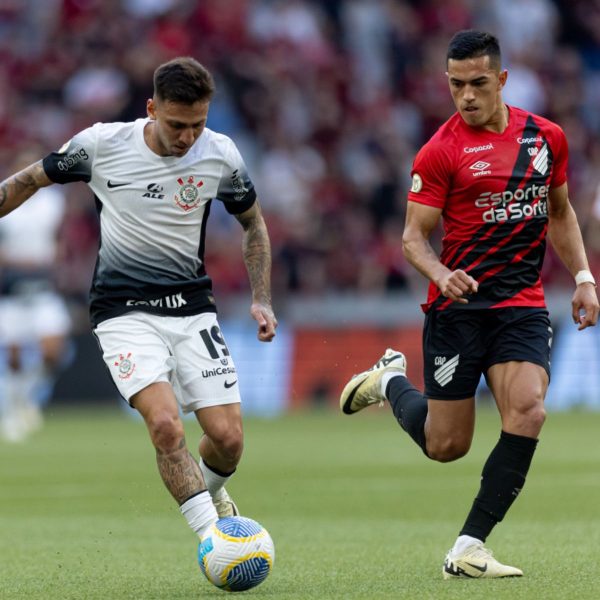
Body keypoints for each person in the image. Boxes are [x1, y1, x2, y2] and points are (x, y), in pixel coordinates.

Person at [340, 30, 599, 579]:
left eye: (478, 84)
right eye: (456, 85)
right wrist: (440, 272)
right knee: (446, 445)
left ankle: (468, 546)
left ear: (502, 80)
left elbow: (560, 212)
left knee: (529, 410)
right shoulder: (441, 151)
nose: (466, 97)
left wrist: (582, 277)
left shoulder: (546, 138)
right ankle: (390, 381)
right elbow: (413, 238)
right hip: (458, 310)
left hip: (522, 304)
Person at [0, 57, 277, 541]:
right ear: (151, 109)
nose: (188, 137)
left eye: (198, 124)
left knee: (229, 440)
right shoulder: (101, 144)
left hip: (192, 310)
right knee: (167, 426)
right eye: (176, 125)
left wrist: (262, 298)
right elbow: (27, 181)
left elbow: (253, 222)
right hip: (122, 311)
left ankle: (211, 493)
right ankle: (213, 539)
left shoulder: (221, 153)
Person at [0, 150, 72, 443]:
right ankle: (14, 408)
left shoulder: (53, 202)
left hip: (43, 286)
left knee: (53, 351)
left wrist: (59, 258)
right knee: (14, 357)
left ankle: (28, 398)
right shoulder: (5, 201)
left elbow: (60, 237)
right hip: (13, 290)